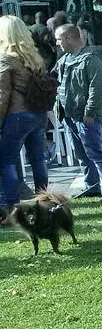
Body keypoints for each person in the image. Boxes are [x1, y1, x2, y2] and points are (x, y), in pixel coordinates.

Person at [53, 23, 102, 200]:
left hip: (85, 116)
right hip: (67, 115)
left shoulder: (90, 59)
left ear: (69, 38)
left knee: (96, 152)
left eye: (59, 39)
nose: (57, 43)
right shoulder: (64, 59)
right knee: (81, 154)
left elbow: (96, 88)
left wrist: (90, 112)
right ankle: (91, 186)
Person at [0, 16, 49, 212]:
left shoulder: (5, 59)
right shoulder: (34, 57)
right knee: (38, 159)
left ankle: (10, 205)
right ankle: (44, 200)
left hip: (17, 115)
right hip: (38, 115)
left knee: (6, 160)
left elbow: (2, 95)